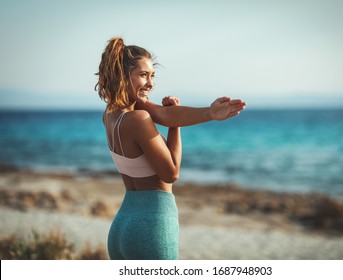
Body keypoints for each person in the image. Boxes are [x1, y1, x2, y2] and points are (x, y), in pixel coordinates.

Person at [95, 37, 246, 260]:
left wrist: (209, 113)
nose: (151, 83)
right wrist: (175, 129)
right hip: (152, 225)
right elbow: (171, 173)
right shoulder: (138, 118)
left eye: (152, 76)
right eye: (143, 75)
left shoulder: (110, 115)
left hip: (122, 225)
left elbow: (165, 115)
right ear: (122, 76)